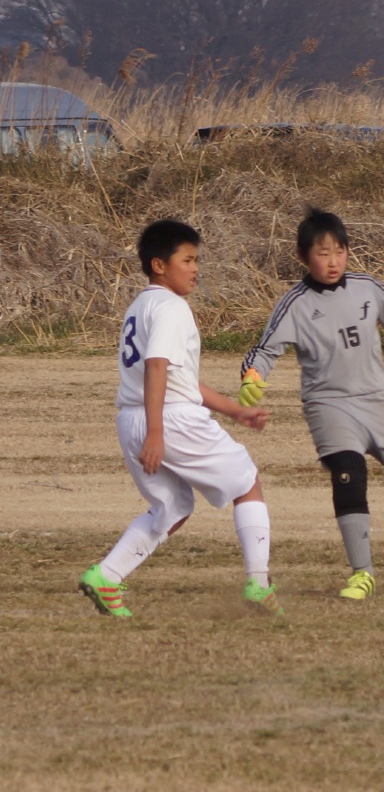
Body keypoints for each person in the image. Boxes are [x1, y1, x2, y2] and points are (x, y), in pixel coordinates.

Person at [239, 208, 384, 601]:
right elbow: (264, 349)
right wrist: (252, 375)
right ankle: (362, 573)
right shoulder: (295, 304)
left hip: (378, 402)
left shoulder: (367, 288)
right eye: (322, 253)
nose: (332, 261)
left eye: (339, 251)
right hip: (329, 405)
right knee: (348, 474)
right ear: (303, 257)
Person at [79, 219, 281, 618]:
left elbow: (179, 379)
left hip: (132, 419)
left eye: (196, 260)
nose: (195, 269)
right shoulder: (172, 307)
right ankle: (259, 584)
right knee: (247, 483)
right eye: (187, 260)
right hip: (168, 420)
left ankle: (106, 576)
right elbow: (157, 367)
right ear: (159, 265)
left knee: (171, 506)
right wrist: (157, 433)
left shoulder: (139, 306)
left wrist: (235, 410)